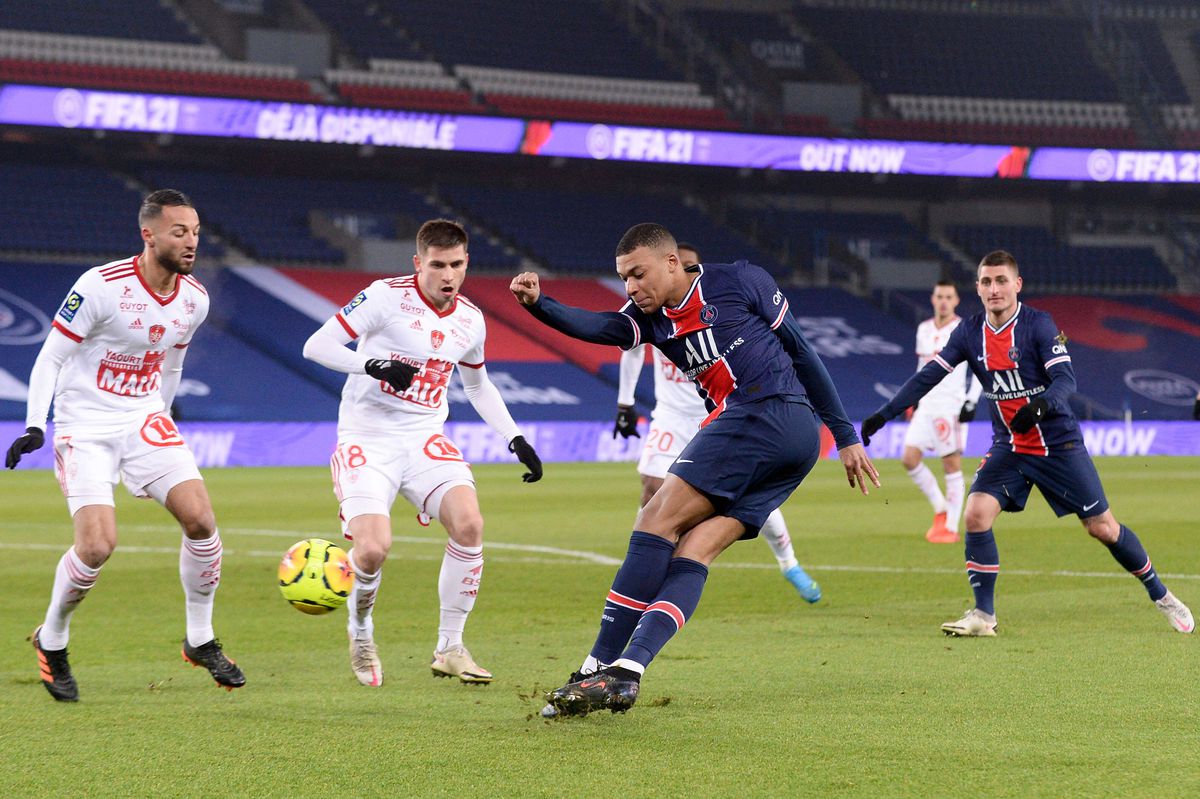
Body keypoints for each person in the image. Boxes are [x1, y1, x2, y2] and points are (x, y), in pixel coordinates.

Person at [510, 223, 878, 717]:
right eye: (623, 279)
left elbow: (802, 352)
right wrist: (541, 305)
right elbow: (598, 327)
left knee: (654, 519)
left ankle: (594, 667)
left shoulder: (738, 281)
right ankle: (629, 670)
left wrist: (848, 434)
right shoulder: (649, 318)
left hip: (760, 414)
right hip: (794, 441)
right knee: (696, 548)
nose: (631, 288)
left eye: (638, 274)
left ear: (671, 262)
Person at [862, 250, 1193, 637]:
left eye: (1001, 280)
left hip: (1057, 444)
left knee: (1102, 528)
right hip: (1011, 446)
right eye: (986, 281)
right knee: (975, 514)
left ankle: (1162, 595)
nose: (994, 288)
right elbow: (928, 377)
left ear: (1017, 285)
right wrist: (883, 415)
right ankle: (984, 616)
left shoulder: (1039, 325)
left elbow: (1066, 380)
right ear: (978, 288)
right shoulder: (969, 332)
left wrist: (1041, 406)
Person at [5, 189, 244, 702]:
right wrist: (35, 425)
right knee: (96, 546)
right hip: (84, 426)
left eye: (196, 232)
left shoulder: (194, 298)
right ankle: (53, 638)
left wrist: (163, 413)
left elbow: (172, 363)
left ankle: (200, 639)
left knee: (201, 521)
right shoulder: (100, 287)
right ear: (149, 234)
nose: (191, 241)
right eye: (179, 231)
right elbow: (48, 359)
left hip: (144, 421)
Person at [302, 218, 543, 688]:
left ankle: (450, 647)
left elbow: (477, 385)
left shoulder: (471, 319)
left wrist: (515, 437)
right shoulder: (384, 296)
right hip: (367, 437)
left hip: (424, 438)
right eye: (437, 265)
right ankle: (361, 631)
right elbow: (317, 346)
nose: (447, 275)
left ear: (467, 263)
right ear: (419, 263)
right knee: (372, 550)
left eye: (456, 264)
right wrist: (370, 364)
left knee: (470, 524)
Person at [614, 241, 821, 601]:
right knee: (650, 484)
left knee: (748, 500)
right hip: (671, 415)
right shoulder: (652, 314)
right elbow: (629, 350)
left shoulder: (714, 308)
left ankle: (789, 563)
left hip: (720, 415)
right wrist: (625, 401)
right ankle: (647, 563)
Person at [899, 280, 982, 544]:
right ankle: (940, 508)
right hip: (927, 405)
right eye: (939, 296)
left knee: (951, 464)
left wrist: (971, 401)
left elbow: (981, 368)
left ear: (956, 301)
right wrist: (912, 398)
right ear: (933, 299)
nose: (944, 301)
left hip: (951, 406)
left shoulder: (964, 329)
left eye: (949, 296)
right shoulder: (923, 329)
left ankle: (951, 527)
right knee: (909, 458)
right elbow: (922, 368)